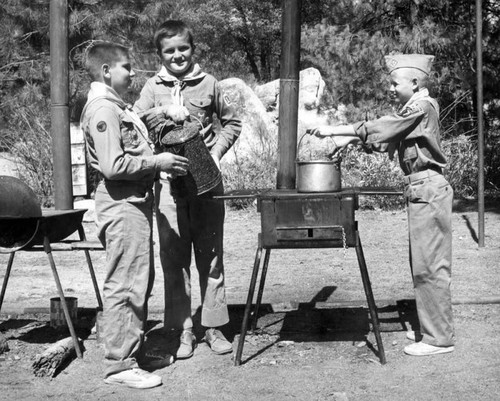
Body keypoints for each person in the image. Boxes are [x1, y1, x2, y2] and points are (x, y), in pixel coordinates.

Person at [311, 54, 455, 357]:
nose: (390, 88)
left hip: (427, 188)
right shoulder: (414, 109)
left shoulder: (421, 106)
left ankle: (438, 338)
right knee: (422, 264)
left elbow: (386, 127)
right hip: (421, 188)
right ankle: (434, 331)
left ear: (414, 82)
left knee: (429, 265)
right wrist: (348, 141)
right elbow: (384, 140)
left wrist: (335, 130)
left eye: (394, 82)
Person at [80, 41, 189, 388]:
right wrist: (157, 163)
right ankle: (119, 365)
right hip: (121, 203)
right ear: (106, 71)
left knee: (138, 279)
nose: (132, 73)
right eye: (126, 67)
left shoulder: (116, 107)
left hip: (133, 201)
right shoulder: (103, 110)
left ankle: (133, 352)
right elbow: (112, 166)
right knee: (124, 283)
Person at [134, 20, 242, 359]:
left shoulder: (209, 83)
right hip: (169, 187)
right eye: (169, 51)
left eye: (183, 48)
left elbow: (233, 122)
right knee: (174, 258)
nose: (177, 55)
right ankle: (182, 331)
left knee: (210, 257)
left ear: (192, 49)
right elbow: (135, 122)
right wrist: (162, 111)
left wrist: (216, 152)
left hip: (207, 185)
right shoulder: (152, 87)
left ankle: (213, 327)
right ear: (160, 54)